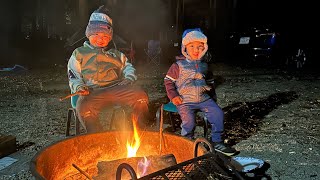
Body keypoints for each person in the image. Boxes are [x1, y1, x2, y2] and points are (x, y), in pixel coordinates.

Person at [67, 5, 149, 133]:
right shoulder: (79, 53)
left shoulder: (116, 54)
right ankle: (97, 137)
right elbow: (74, 75)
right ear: (89, 34)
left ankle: (138, 132)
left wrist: (129, 78)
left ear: (109, 38)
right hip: (92, 91)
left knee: (140, 96)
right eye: (97, 34)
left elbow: (128, 67)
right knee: (84, 107)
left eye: (105, 36)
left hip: (116, 89)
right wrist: (79, 87)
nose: (101, 39)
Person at [164, 28, 237, 156]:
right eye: (191, 46)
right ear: (184, 47)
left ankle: (217, 141)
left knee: (218, 113)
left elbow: (210, 82)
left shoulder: (204, 65)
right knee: (189, 122)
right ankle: (187, 142)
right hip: (185, 100)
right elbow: (168, 81)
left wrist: (212, 97)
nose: (196, 50)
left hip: (203, 98)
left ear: (204, 48)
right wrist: (173, 96)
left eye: (200, 47)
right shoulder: (178, 65)